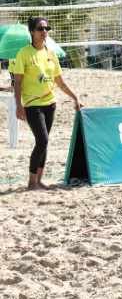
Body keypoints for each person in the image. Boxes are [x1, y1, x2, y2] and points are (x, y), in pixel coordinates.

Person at [11, 17, 82, 190]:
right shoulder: (24, 53)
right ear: (32, 32)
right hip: (32, 104)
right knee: (42, 140)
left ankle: (39, 180)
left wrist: (75, 97)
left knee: (45, 141)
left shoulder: (51, 53)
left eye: (46, 28)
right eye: (40, 28)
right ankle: (31, 182)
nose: (44, 31)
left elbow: (60, 81)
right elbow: (17, 82)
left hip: (50, 103)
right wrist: (18, 105)